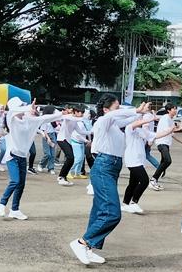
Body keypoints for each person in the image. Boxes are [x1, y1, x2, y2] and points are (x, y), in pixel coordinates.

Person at [69, 96, 150, 265]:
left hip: (112, 169)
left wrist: (141, 113)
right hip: (103, 168)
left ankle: (89, 248)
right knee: (112, 213)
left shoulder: (115, 125)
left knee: (99, 210)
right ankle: (81, 243)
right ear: (106, 109)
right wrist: (136, 110)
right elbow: (117, 116)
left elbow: (127, 119)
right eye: (116, 107)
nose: (119, 110)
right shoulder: (103, 121)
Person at [0, 99, 62, 220]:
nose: (23, 107)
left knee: (21, 184)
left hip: (22, 158)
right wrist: (28, 108)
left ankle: (15, 209)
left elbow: (47, 118)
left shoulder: (29, 120)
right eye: (21, 106)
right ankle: (2, 204)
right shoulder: (11, 118)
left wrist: (60, 112)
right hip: (12, 157)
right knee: (15, 181)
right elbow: (15, 110)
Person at [121, 113, 176, 214]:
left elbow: (157, 135)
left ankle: (125, 204)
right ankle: (134, 203)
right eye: (139, 119)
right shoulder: (129, 128)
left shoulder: (142, 131)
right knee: (144, 181)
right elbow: (138, 123)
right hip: (132, 160)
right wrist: (151, 119)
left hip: (139, 161)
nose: (141, 120)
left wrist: (171, 129)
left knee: (132, 183)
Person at [150, 103, 182, 191]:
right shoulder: (165, 118)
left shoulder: (170, 119)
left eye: (176, 108)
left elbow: (172, 134)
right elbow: (168, 130)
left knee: (164, 162)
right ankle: (153, 180)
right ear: (168, 110)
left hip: (166, 144)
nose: (175, 110)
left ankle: (154, 181)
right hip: (161, 143)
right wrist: (179, 127)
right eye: (174, 109)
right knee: (167, 160)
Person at [68, 109, 92, 180]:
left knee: (81, 159)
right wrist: (86, 140)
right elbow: (77, 135)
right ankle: (70, 172)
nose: (88, 115)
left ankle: (77, 173)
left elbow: (83, 132)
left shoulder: (83, 122)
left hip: (81, 143)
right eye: (84, 113)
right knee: (78, 159)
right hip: (76, 143)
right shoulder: (76, 122)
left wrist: (91, 133)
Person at [36, 106, 58, 175]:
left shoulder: (52, 119)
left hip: (53, 135)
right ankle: (41, 164)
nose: (54, 112)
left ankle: (51, 168)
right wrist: (48, 138)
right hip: (46, 136)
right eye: (53, 111)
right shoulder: (45, 119)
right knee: (48, 154)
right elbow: (44, 130)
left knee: (52, 154)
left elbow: (55, 128)